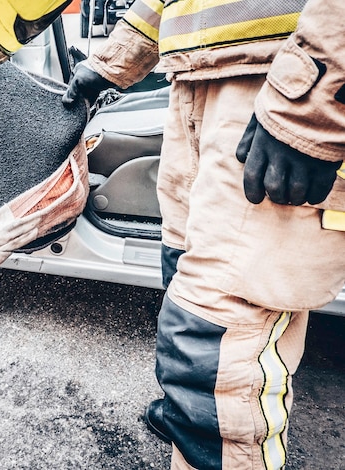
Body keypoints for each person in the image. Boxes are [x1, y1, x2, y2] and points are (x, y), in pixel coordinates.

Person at [63, 0, 345, 468]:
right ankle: (191, 419)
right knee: (183, 276)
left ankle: (216, 436)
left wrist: (316, 98)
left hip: (280, 83)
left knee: (221, 329)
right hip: (194, 78)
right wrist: (113, 63)